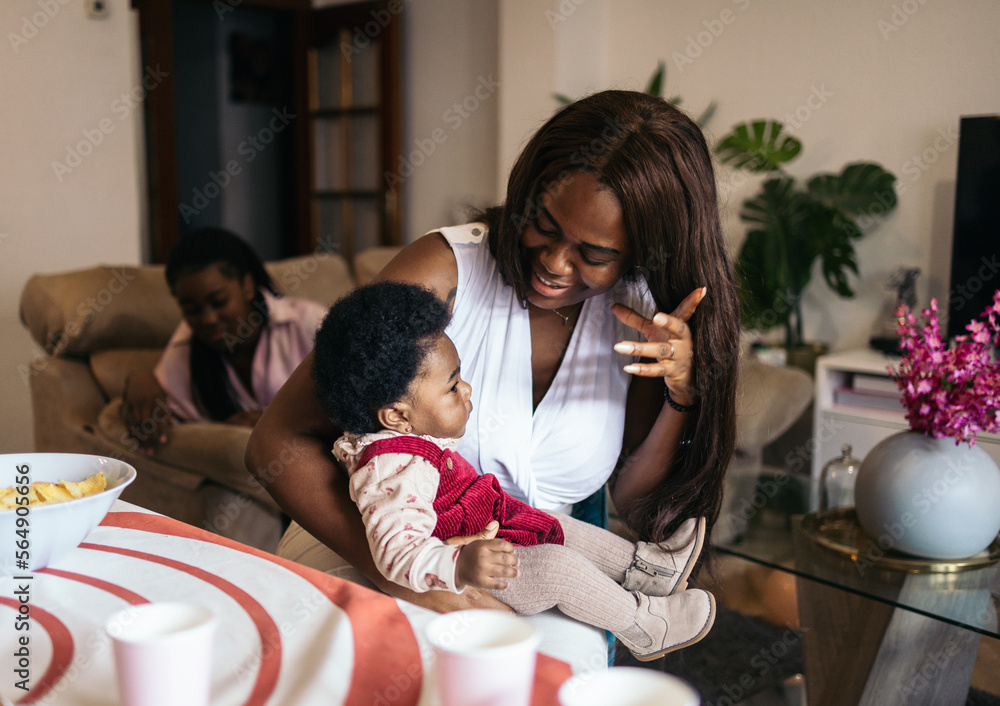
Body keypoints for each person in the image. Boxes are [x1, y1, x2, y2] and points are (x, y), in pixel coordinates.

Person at [245, 90, 741, 618]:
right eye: (545, 225)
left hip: (535, 580)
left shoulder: (644, 321)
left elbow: (639, 507)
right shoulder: (444, 272)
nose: (552, 263)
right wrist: (425, 582)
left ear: (642, 252)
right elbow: (276, 441)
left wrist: (680, 395)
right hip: (368, 554)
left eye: (593, 255)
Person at [313, 280, 715, 661]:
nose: (467, 390)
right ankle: (643, 625)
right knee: (557, 568)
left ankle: (650, 569)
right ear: (397, 416)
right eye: (453, 387)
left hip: (495, 524)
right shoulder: (392, 468)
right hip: (480, 568)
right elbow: (396, 553)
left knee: (557, 525)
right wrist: (461, 565)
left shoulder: (407, 438)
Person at [121, 228, 327, 453]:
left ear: (247, 286)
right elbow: (169, 413)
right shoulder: (186, 343)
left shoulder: (309, 324)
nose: (208, 319)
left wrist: (275, 422)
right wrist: (140, 380)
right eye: (191, 310)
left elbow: (358, 403)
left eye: (219, 301)